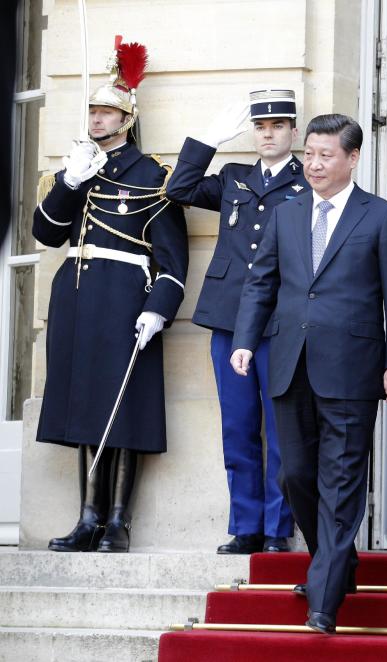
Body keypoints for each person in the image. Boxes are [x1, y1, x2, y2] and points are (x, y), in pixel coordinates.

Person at [230, 114, 387, 631]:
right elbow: (261, 284)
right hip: (290, 364)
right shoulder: (286, 216)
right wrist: (245, 341)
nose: (313, 163)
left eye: (325, 154)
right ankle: (335, 560)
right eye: (308, 153)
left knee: (342, 481)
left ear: (352, 158)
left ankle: (325, 597)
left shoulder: (380, 217)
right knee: (295, 476)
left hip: (354, 371)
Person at [35, 39, 188, 553]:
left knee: (122, 407)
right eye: (94, 111)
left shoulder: (151, 175)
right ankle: (86, 517)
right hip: (77, 297)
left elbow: (173, 259)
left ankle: (118, 521)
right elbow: (46, 233)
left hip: (126, 299)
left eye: (108, 112)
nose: (98, 119)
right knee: (84, 406)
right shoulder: (76, 167)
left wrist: (158, 310)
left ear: (127, 118)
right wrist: (68, 182)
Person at [167, 91, 306, 554]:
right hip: (229, 318)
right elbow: (179, 190)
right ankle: (245, 525)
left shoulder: (308, 182)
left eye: (278, 126)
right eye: (261, 127)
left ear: (293, 131)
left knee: (282, 429)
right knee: (239, 426)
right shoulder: (233, 177)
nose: (268, 134)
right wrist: (206, 140)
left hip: (281, 321)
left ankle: (276, 528)